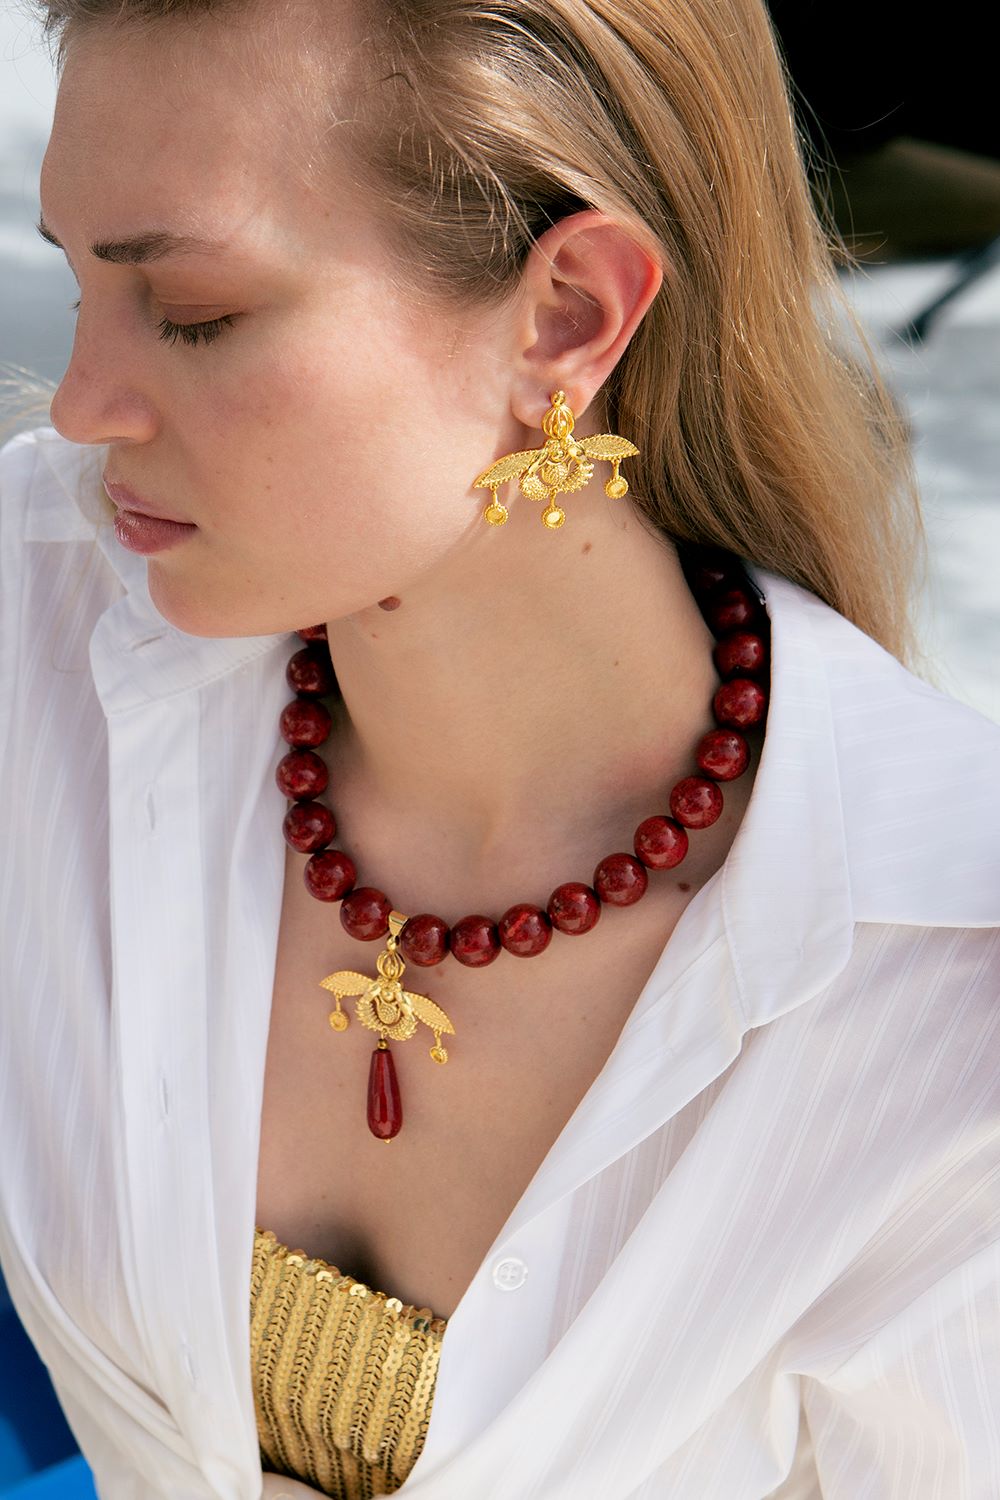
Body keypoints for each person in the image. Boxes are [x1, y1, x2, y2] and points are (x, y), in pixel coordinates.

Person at [1, 0, 998, 1496]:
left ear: (568, 316)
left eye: (195, 312)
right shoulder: (42, 608)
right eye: (76, 281)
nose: (83, 404)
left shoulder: (946, 986)